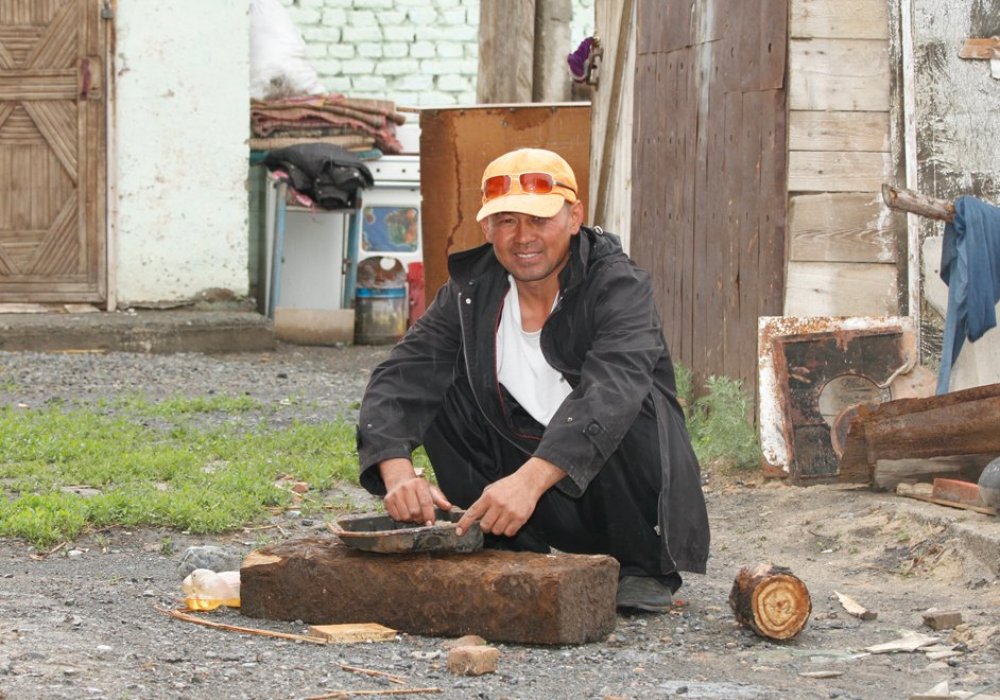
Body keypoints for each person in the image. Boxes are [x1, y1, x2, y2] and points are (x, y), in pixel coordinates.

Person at [356, 147, 709, 612]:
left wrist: (529, 481)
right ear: (486, 227)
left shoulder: (618, 286)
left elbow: (613, 390)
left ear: (574, 217)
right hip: (523, 503)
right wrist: (397, 472)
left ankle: (641, 567)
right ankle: (504, 544)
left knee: (631, 400)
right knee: (439, 384)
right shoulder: (470, 290)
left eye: (539, 219)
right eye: (505, 221)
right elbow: (402, 374)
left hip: (619, 502)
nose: (523, 237)